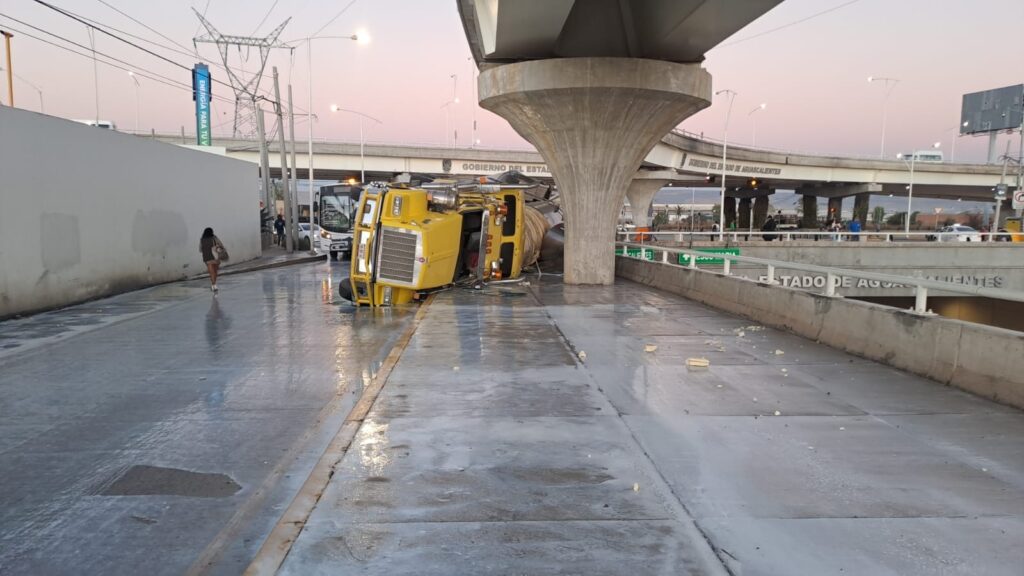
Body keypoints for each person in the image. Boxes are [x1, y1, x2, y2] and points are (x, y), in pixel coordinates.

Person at [200, 227, 225, 293]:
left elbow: (200, 249)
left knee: (211, 273)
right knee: (215, 272)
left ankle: (213, 285)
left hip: (207, 258)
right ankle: (214, 284)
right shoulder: (214, 238)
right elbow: (221, 245)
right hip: (215, 257)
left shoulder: (202, 239)